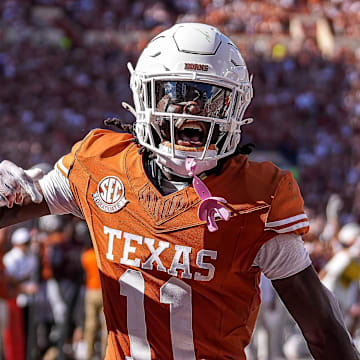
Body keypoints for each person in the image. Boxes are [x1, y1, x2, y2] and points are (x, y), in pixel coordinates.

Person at [0, 22, 358, 360]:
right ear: (145, 96)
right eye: (177, 92)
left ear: (236, 106)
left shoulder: (257, 198)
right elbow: (16, 203)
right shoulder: (99, 163)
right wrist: (6, 187)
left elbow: (322, 328)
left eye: (209, 97)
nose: (191, 107)